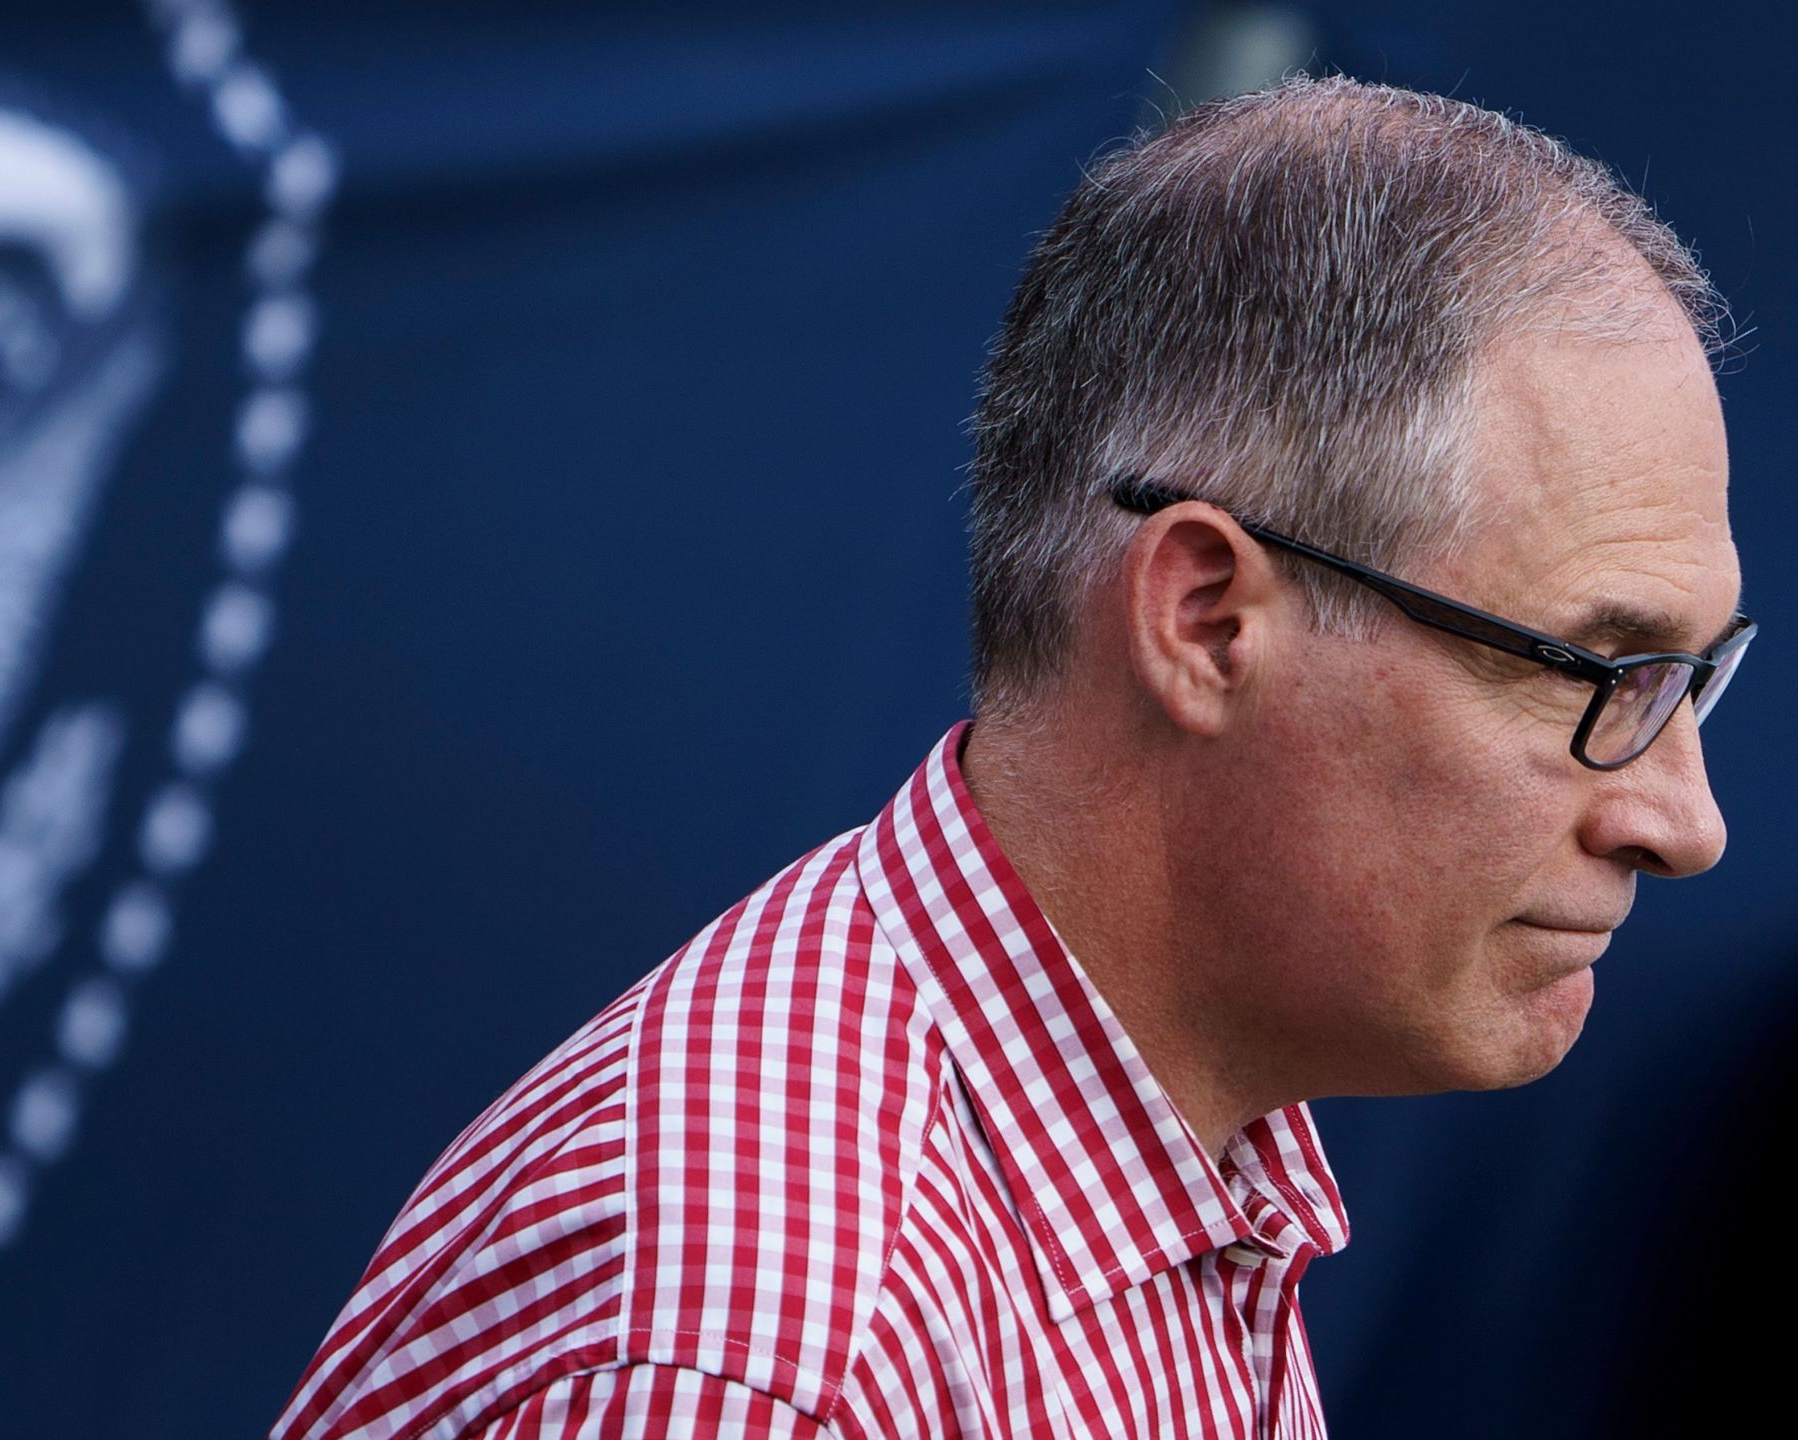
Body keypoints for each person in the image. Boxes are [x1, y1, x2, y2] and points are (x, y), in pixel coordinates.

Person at [274, 75, 1751, 1439]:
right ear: (1209, 619)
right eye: (1602, 668)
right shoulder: (775, 1352)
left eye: (1696, 674)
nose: (1686, 820)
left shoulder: (1130, 1167)